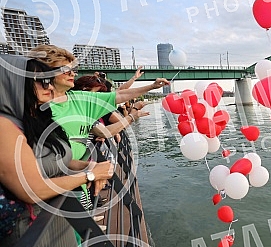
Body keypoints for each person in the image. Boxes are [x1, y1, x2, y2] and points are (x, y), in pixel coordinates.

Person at [0, 54, 113, 247]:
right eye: (42, 81)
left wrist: (91, 166)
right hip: (32, 239)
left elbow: (61, 160)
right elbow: (31, 189)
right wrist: (89, 175)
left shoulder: (30, 120)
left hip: (58, 224)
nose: (49, 87)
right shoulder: (4, 127)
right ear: (14, 82)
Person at [28, 44, 169, 161]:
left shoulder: (81, 99)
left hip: (79, 179)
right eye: (66, 70)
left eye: (74, 70)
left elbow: (119, 94)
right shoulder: (32, 108)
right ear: (44, 73)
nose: (73, 74)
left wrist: (151, 86)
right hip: (54, 180)